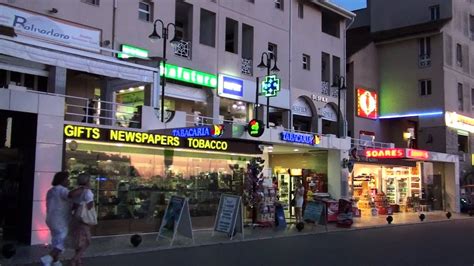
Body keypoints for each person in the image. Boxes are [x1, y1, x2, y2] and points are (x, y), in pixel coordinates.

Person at [41, 172, 84, 266]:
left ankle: (55, 261)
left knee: (56, 240)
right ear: (62, 180)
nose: (68, 181)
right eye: (67, 179)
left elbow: (66, 204)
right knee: (62, 240)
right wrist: (83, 188)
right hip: (60, 220)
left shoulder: (51, 190)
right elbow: (71, 195)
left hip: (51, 219)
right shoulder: (61, 189)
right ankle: (48, 257)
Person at [70, 173, 95, 266]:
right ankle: (75, 259)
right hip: (84, 217)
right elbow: (90, 205)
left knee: (78, 239)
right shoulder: (88, 192)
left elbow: (73, 203)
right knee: (87, 240)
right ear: (87, 181)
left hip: (75, 216)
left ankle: (78, 260)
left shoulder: (76, 190)